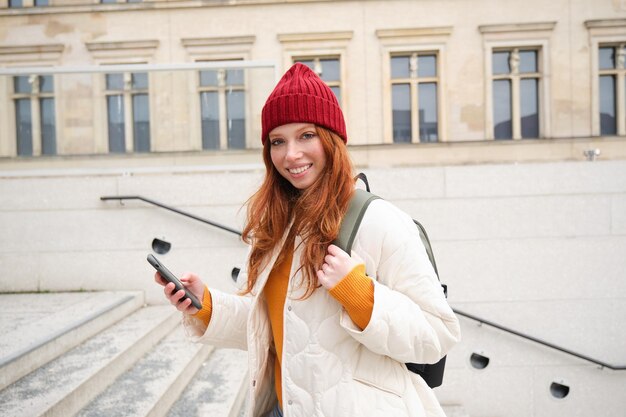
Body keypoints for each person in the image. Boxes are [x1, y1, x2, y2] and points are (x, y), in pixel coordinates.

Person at [154, 62, 461, 417]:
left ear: (332, 140)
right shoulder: (280, 226)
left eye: (306, 135)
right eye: (277, 141)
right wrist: (204, 304)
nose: (291, 154)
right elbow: (274, 329)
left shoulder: (380, 221)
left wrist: (359, 294)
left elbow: (438, 334)